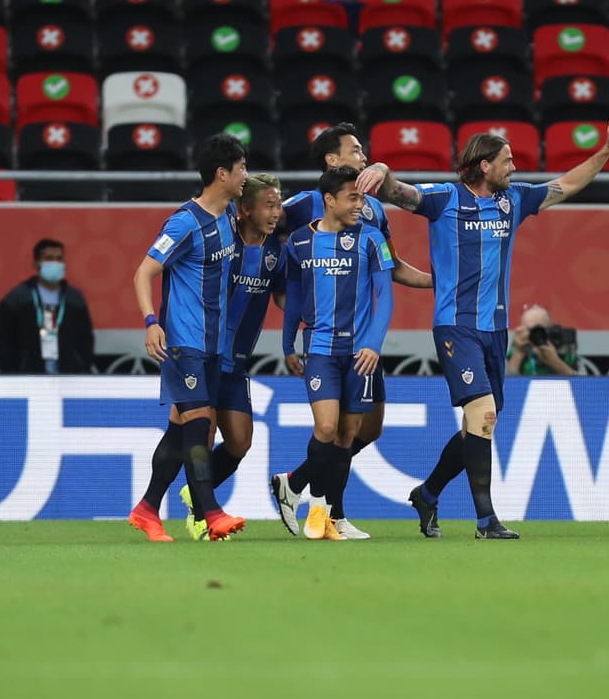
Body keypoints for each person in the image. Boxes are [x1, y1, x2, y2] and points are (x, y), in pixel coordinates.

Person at [357, 107, 609, 539]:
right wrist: (383, 169)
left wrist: (606, 151)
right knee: (482, 414)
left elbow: (569, 184)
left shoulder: (513, 200)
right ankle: (486, 521)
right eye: (507, 160)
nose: (514, 167)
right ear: (484, 165)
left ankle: (427, 493)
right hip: (455, 326)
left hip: (495, 330)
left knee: (477, 426)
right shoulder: (445, 199)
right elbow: (400, 194)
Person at [272, 123, 431, 539]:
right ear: (332, 160)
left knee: (365, 430)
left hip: (361, 343)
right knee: (333, 430)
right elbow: (271, 244)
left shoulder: (372, 214)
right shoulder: (299, 209)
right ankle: (329, 514)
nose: (364, 157)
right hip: (323, 341)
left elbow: (391, 268)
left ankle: (297, 483)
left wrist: (437, 281)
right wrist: (292, 316)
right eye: (356, 150)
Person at [126, 134, 249, 543]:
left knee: (181, 429)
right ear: (221, 174)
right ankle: (211, 512)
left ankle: (147, 509)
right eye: (241, 169)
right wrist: (150, 322)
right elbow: (143, 272)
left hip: (213, 344)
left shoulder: (229, 214)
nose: (245, 176)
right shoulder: (184, 223)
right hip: (183, 341)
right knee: (199, 424)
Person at [274, 166, 394, 541]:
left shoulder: (372, 239)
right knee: (326, 428)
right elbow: (294, 297)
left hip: (360, 354)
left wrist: (374, 344)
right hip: (320, 351)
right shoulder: (299, 242)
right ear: (329, 200)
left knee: (346, 436)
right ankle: (315, 509)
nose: (360, 205)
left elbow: (385, 296)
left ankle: (330, 516)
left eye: (362, 198)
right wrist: (287, 344)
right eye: (352, 198)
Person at [178, 173, 286, 540]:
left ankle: (195, 492)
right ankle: (201, 514)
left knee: (240, 442)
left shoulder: (277, 252)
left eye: (278, 205)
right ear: (245, 210)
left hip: (237, 363)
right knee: (202, 435)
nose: (276, 212)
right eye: (269, 205)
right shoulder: (224, 241)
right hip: (203, 354)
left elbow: (282, 297)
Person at [0, 238, 95, 375]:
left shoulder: (74, 298)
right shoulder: (17, 299)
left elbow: (86, 339)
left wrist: (82, 368)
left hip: (69, 376)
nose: (55, 263)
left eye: (59, 259)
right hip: (27, 377)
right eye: (49, 258)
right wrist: (11, 375)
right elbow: (4, 342)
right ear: (36, 264)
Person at [506, 303, 578, 377]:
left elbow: (582, 382)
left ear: (550, 329)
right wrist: (519, 352)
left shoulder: (565, 353)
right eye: (530, 330)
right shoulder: (514, 353)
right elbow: (504, 382)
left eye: (540, 330)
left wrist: (556, 362)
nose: (536, 334)